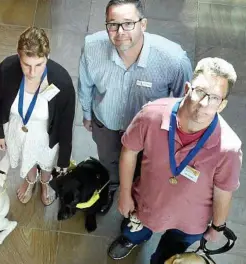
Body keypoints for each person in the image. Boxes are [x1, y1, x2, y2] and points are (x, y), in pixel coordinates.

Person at [108, 57, 242, 264]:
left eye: (214, 98)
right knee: (136, 226)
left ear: (222, 105)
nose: (204, 104)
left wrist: (218, 226)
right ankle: (131, 239)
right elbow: (130, 150)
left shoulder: (228, 147)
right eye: (200, 92)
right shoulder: (151, 115)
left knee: (171, 252)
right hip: (148, 201)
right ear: (188, 89)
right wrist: (125, 194)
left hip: (191, 219)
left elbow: (224, 190)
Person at [78, 0, 193, 211]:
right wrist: (87, 114)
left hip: (148, 133)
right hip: (107, 124)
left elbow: (183, 104)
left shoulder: (173, 60)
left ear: (144, 24)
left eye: (128, 23)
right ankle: (112, 186)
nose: (120, 31)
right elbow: (85, 84)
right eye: (113, 24)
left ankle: (136, 195)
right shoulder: (92, 47)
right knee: (109, 161)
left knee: (144, 167)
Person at [0, 27, 75, 206]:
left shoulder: (62, 80)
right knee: (24, 156)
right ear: (18, 56)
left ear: (47, 58)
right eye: (26, 64)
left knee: (46, 161)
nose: (32, 72)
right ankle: (30, 178)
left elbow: (67, 122)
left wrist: (64, 158)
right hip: (17, 127)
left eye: (39, 65)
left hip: (46, 133)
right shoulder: (6, 69)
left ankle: (45, 181)